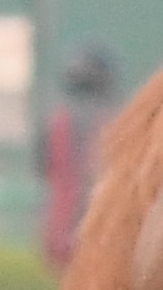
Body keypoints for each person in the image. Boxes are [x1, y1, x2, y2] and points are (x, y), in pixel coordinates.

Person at [39, 45, 122, 270]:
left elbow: (43, 170)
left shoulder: (57, 121)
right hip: (100, 234)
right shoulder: (114, 122)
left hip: (58, 229)